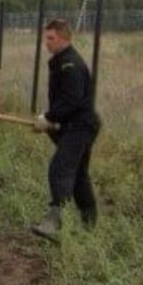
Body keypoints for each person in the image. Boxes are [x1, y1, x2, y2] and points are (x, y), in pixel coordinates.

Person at [31, 18, 101, 239]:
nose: (46, 43)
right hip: (77, 124)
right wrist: (52, 122)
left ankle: (53, 222)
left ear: (64, 38)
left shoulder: (70, 64)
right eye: (46, 38)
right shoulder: (62, 61)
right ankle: (89, 225)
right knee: (79, 174)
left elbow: (71, 100)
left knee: (60, 168)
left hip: (80, 127)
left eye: (51, 38)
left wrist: (49, 117)